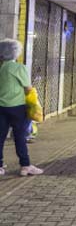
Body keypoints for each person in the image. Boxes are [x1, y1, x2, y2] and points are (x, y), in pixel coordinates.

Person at [0, 39, 43, 176]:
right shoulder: (19, 68)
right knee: (20, 136)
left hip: (1, 107)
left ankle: (0, 166)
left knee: (0, 137)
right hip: (17, 107)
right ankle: (25, 166)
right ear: (15, 52)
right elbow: (27, 88)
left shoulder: (1, 68)